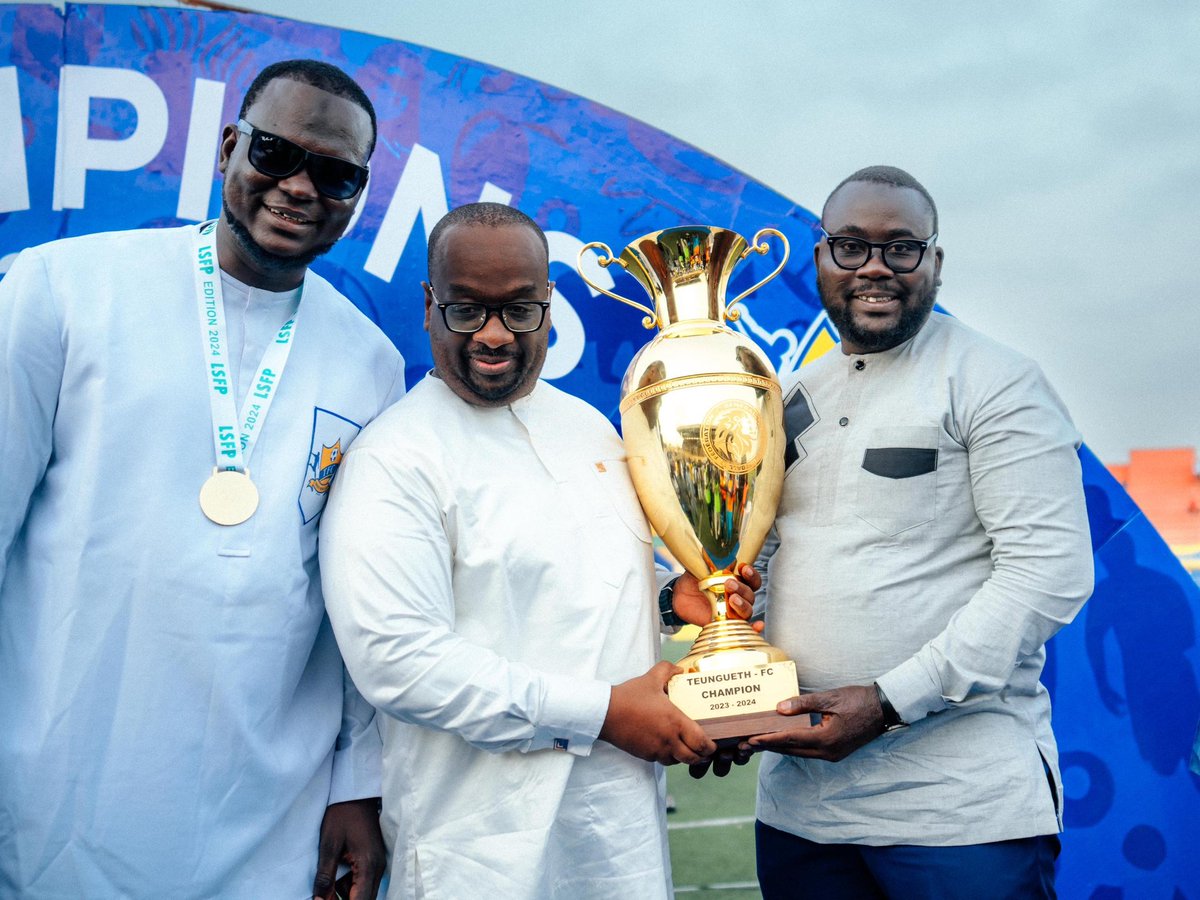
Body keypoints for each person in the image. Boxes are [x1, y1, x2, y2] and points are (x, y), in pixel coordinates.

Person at [0, 60, 400, 899]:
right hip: (55, 776)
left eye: (334, 174)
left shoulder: (370, 361)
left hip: (267, 810)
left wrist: (355, 782)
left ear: (358, 194)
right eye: (275, 154)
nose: (298, 188)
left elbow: (353, 602)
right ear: (227, 149)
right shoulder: (63, 288)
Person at [319, 202, 758, 899]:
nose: (495, 335)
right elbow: (399, 662)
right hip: (480, 852)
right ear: (430, 306)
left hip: (619, 842)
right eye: (468, 310)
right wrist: (606, 712)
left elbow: (558, 582)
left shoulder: (590, 428)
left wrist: (671, 601)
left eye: (521, 310)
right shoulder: (395, 457)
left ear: (549, 307)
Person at [746, 166, 1094, 898]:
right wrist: (727, 701)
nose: (874, 266)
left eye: (900, 247)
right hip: (801, 812)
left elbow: (1047, 574)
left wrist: (889, 701)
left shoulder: (996, 381)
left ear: (934, 262)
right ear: (820, 258)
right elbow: (758, 560)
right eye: (851, 246)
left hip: (959, 815)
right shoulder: (790, 395)